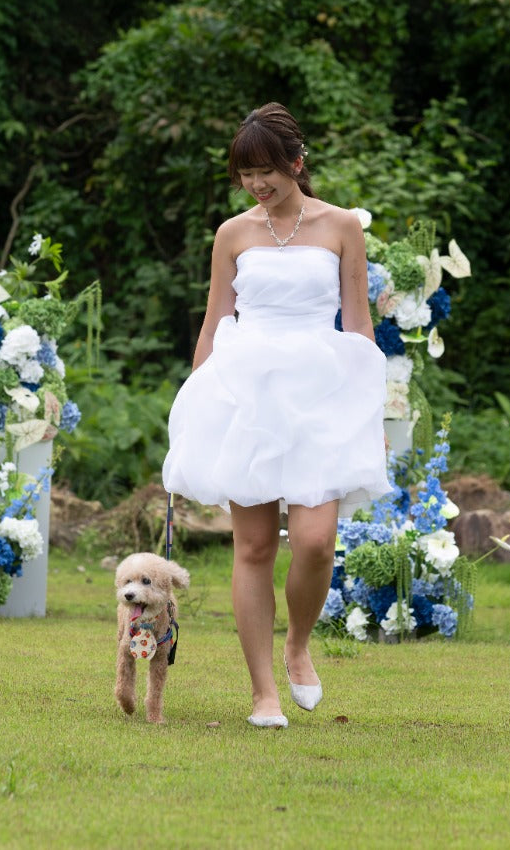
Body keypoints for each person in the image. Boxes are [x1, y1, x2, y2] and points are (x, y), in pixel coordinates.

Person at [162, 103, 388, 728]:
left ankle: (297, 645)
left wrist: (371, 405)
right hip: (247, 390)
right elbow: (214, 322)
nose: (256, 184)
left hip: (321, 389)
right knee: (255, 544)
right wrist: (195, 401)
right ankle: (262, 692)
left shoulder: (341, 225)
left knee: (316, 542)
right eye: (245, 173)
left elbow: (358, 323)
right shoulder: (233, 234)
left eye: (266, 170)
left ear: (296, 162)